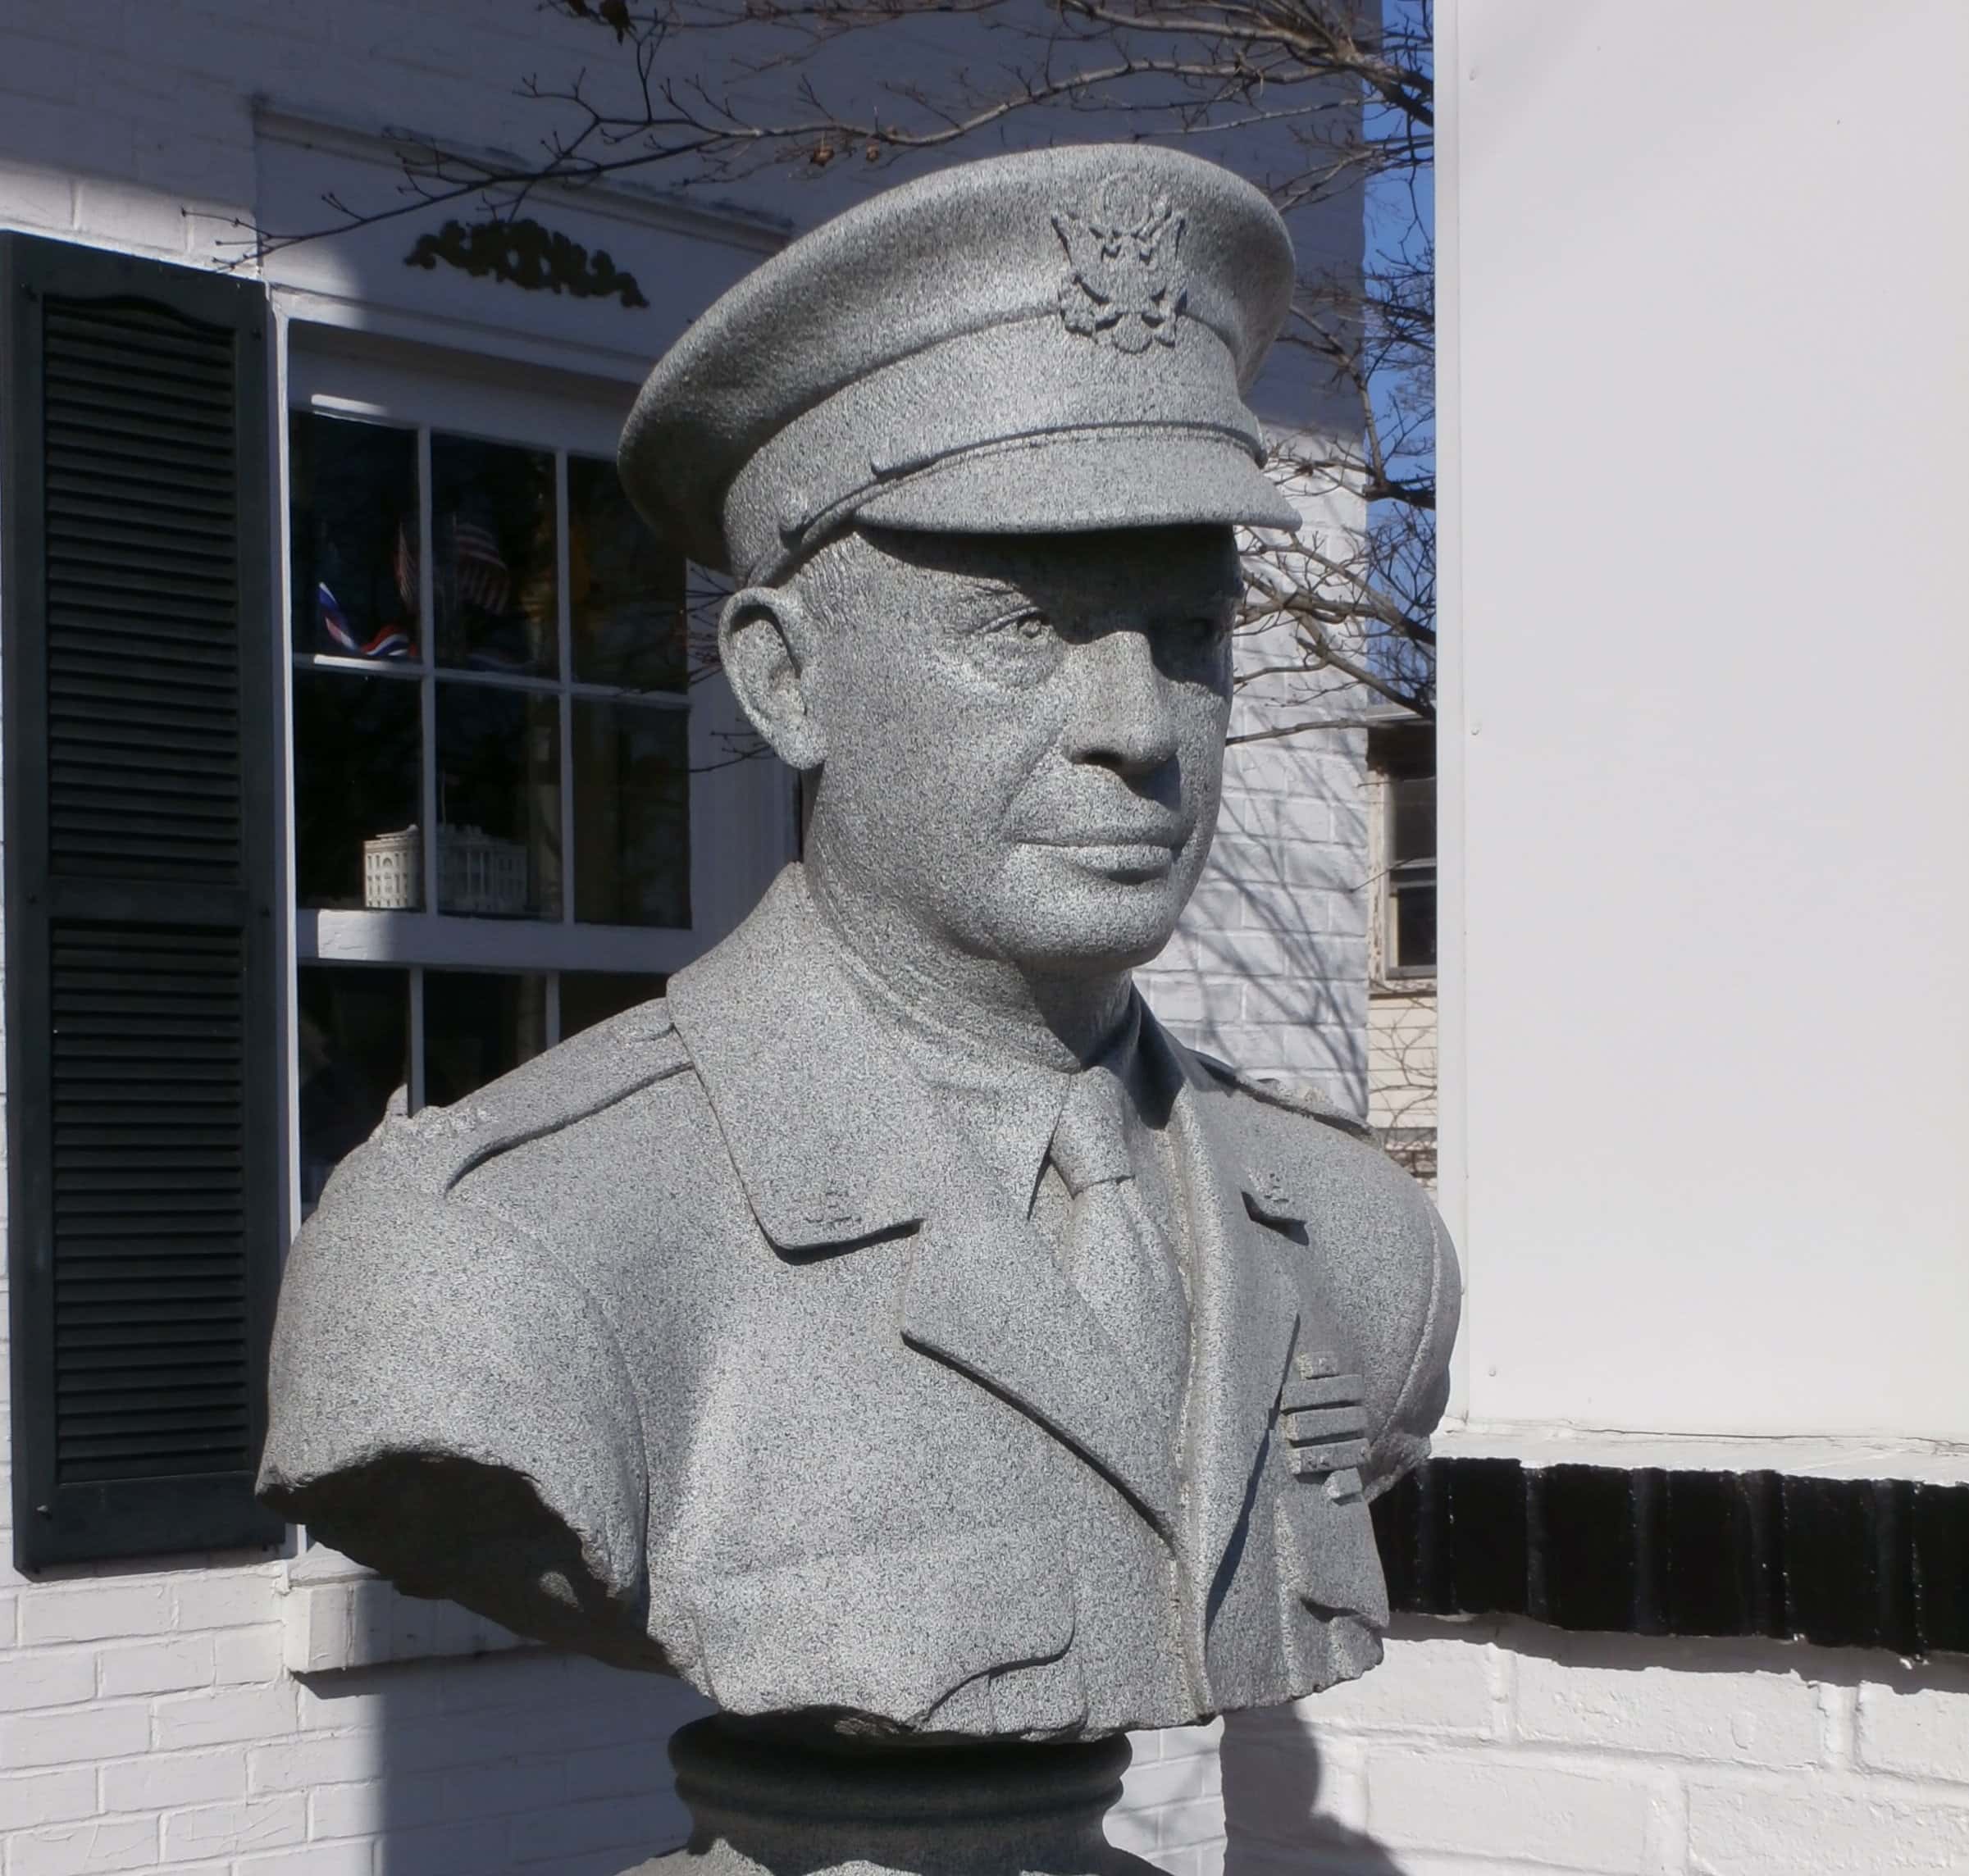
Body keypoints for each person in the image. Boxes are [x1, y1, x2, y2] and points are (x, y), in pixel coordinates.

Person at [258, 143, 1459, 1742]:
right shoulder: (498, 1257)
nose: (1135, 730)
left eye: (1184, 635)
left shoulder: (1359, 1242)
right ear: (784, 682)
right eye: (1019, 627)